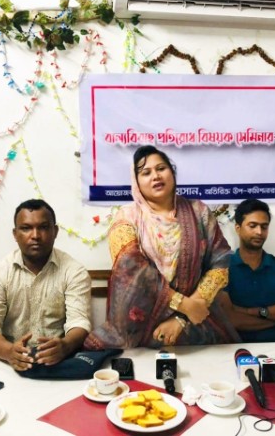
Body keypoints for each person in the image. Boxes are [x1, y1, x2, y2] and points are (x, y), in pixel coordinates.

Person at [84, 145, 239, 349]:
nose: (155, 176)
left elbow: (221, 262)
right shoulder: (127, 218)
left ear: (172, 173)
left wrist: (183, 317)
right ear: (136, 182)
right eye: (146, 173)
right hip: (139, 326)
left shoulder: (199, 212)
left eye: (161, 168)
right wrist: (183, 305)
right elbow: (133, 271)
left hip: (195, 323)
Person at [0, 199, 92, 371]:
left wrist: (65, 345)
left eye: (43, 227)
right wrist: (9, 352)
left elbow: (79, 322)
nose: (35, 235)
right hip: (6, 364)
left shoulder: (74, 271)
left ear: (55, 231)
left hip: (57, 362)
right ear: (15, 234)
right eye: (26, 228)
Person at [217, 199, 275, 342]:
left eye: (264, 227)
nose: (259, 232)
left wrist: (250, 311)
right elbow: (231, 320)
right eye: (252, 226)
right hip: (236, 349)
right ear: (238, 228)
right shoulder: (222, 267)